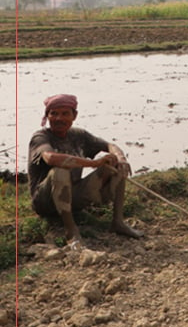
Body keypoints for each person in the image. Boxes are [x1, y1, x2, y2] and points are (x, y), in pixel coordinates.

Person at [28, 94, 144, 247]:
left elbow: (109, 145)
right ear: (47, 116)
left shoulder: (78, 135)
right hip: (45, 200)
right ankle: (71, 231)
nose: (58, 118)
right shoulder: (41, 136)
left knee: (116, 164)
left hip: (73, 196)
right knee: (61, 170)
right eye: (54, 113)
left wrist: (120, 157)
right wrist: (94, 163)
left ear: (74, 115)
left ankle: (118, 222)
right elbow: (51, 158)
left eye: (64, 114)